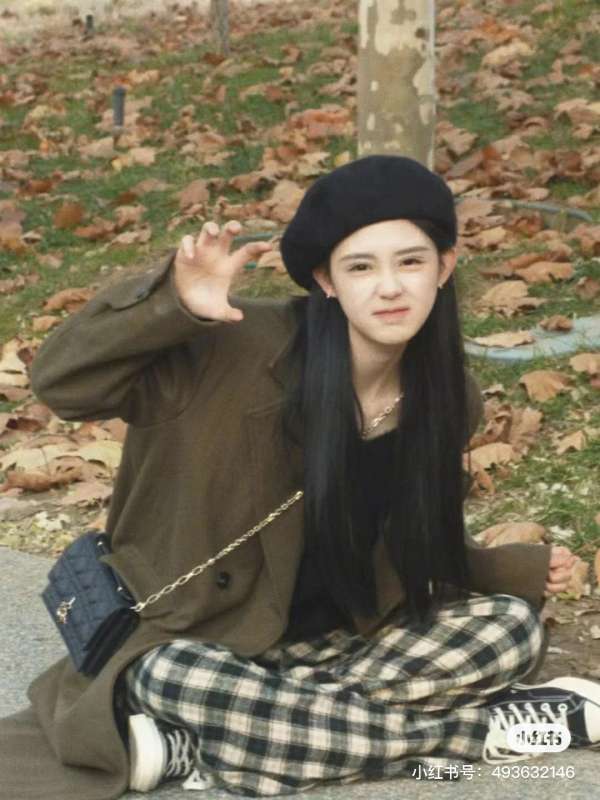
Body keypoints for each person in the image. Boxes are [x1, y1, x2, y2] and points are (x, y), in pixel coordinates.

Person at [1, 155, 598, 800]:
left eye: (410, 262)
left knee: (509, 628)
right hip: (196, 640)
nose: (390, 288)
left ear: (444, 267)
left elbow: (406, 547)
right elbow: (61, 383)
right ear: (325, 279)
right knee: (184, 679)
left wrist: (505, 570)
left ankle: (205, 743)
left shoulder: (447, 396)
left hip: (337, 648)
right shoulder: (235, 343)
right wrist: (172, 306)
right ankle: (476, 734)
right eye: (361, 267)